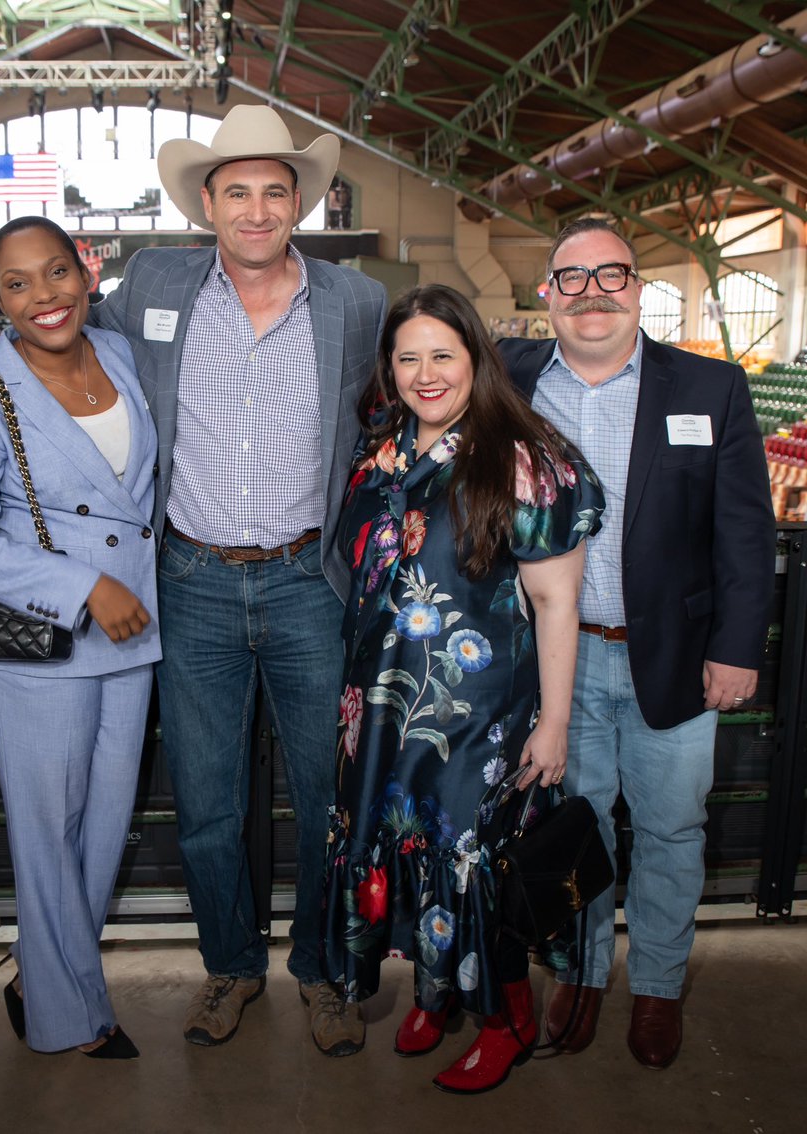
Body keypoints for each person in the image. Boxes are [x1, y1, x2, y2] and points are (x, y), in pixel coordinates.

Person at [91, 104, 387, 1056]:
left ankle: (323, 972)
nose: (256, 210)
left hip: (309, 580)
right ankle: (230, 966)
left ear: (300, 201)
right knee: (210, 799)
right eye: (236, 193)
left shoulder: (355, 302)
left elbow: (419, 394)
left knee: (325, 793)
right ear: (206, 204)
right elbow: (64, 356)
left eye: (274, 191)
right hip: (192, 578)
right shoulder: (152, 287)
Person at [499, 217, 775, 1069]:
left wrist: (737, 647)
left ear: (639, 289)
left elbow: (743, 531)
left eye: (610, 275)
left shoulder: (710, 386)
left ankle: (656, 989)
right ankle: (577, 976)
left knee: (670, 832)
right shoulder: (505, 380)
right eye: (571, 278)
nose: (592, 293)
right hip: (557, 660)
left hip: (678, 658)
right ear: (546, 295)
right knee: (573, 830)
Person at [322, 283, 603, 1092]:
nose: (425, 372)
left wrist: (550, 726)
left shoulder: (524, 456)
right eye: (407, 357)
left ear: (477, 358)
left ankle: (507, 1019)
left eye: (442, 354)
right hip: (376, 710)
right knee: (401, 849)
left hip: (476, 717)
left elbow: (555, 602)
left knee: (476, 862)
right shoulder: (380, 453)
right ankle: (436, 994)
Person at [0, 216, 160, 1058]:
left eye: (56, 272)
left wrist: (120, 587)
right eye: (19, 283)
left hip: (136, 627)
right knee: (48, 826)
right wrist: (82, 586)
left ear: (85, 272)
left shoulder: (129, 359)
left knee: (106, 822)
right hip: (43, 640)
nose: (44, 296)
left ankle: (41, 969)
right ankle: (72, 1013)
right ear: (0, 301)